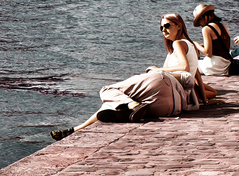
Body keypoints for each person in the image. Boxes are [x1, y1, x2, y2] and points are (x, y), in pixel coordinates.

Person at [53, 14, 209, 138]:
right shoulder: (193, 46)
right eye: (161, 28)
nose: (164, 30)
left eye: (167, 26)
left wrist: (157, 68)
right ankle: (76, 128)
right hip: (173, 106)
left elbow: (185, 67)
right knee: (116, 104)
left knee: (108, 90)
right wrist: (204, 100)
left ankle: (130, 105)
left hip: (163, 83)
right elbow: (197, 77)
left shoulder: (178, 43)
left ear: (179, 25)